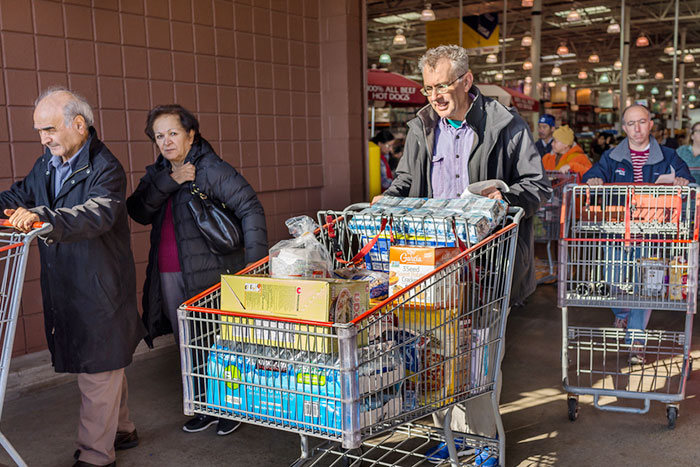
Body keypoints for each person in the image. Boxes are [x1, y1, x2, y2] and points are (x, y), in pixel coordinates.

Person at [381, 44, 551, 464]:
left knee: (479, 356)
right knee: (437, 351)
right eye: (428, 88)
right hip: (433, 263)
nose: (435, 96)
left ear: (466, 80)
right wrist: (386, 200)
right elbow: (405, 181)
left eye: (442, 86)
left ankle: (484, 441)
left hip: (487, 263)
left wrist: (505, 196)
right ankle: (452, 436)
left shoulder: (504, 124)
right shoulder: (422, 127)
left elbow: (537, 185)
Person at [0, 87, 146, 467]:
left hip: (100, 286)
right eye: (39, 131)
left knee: (98, 368)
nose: (43, 139)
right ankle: (122, 429)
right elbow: (17, 196)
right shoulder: (46, 165)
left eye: (49, 129)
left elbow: (96, 214)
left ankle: (96, 455)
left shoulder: (106, 168)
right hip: (68, 283)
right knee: (105, 364)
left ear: (79, 125)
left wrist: (43, 218)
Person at [126, 105, 268, 436]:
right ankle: (204, 406)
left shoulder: (210, 168)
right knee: (188, 342)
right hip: (169, 271)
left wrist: (255, 266)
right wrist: (169, 182)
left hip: (212, 270)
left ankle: (231, 407)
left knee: (220, 342)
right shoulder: (160, 172)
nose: (166, 141)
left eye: (173, 133)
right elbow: (137, 210)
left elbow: (250, 208)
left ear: (191, 135)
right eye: (159, 136)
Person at [582, 104, 691, 363]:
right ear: (624, 128)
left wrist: (682, 181)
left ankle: (636, 341)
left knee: (645, 288)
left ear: (650, 124)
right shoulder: (611, 156)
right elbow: (593, 175)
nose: (637, 128)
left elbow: (688, 182)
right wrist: (594, 180)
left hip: (652, 233)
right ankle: (622, 313)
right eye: (631, 124)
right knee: (613, 282)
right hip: (617, 231)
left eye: (642, 122)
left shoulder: (668, 156)